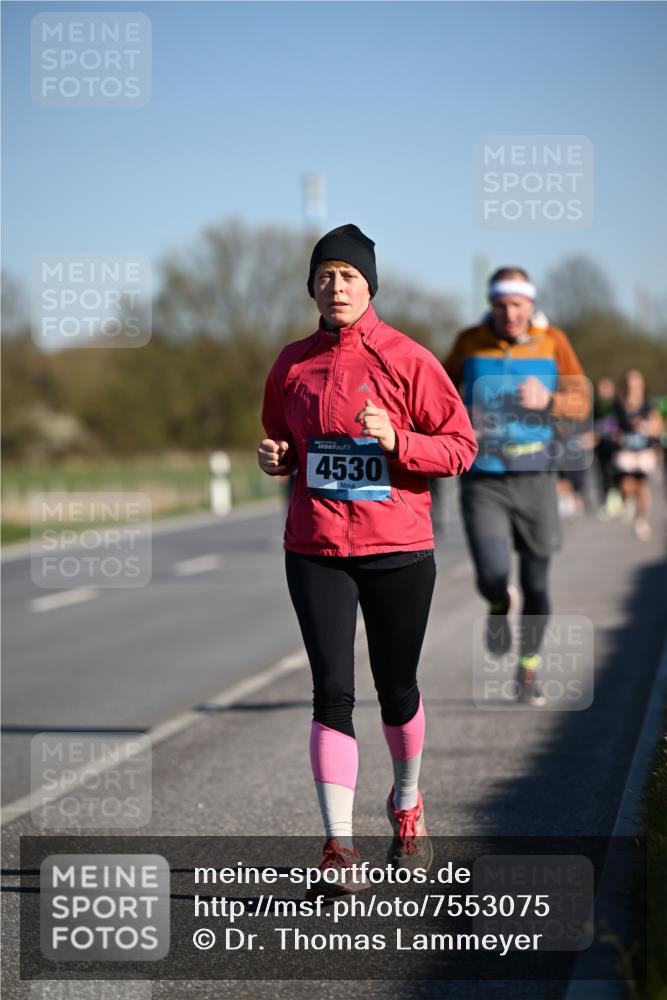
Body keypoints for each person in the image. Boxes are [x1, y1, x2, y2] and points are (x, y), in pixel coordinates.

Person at [258, 224, 477, 896]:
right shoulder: (292, 362)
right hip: (316, 546)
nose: (335, 286)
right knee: (330, 691)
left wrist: (399, 439)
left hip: (397, 548)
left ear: (368, 285)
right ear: (311, 288)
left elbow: (459, 448)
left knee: (396, 687)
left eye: (348, 276)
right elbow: (280, 436)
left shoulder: (408, 359)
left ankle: (406, 803)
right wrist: (278, 459)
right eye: (324, 275)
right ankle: (337, 846)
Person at [443, 268, 589, 705]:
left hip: (537, 475)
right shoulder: (470, 341)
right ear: (491, 304)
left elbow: (581, 401)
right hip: (483, 475)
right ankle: (496, 602)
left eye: (517, 305)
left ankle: (528, 670)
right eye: (502, 305)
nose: (509, 313)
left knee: (538, 583)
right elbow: (438, 392)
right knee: (492, 574)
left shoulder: (554, 342)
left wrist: (551, 400)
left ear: (530, 304)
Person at [611, 369, 662, 541]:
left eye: (637, 384)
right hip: (626, 453)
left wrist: (645, 426)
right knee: (626, 484)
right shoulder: (618, 405)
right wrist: (615, 435)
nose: (634, 388)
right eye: (631, 384)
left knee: (642, 487)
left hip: (643, 452)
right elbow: (611, 426)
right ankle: (629, 502)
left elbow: (658, 427)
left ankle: (642, 520)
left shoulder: (648, 404)